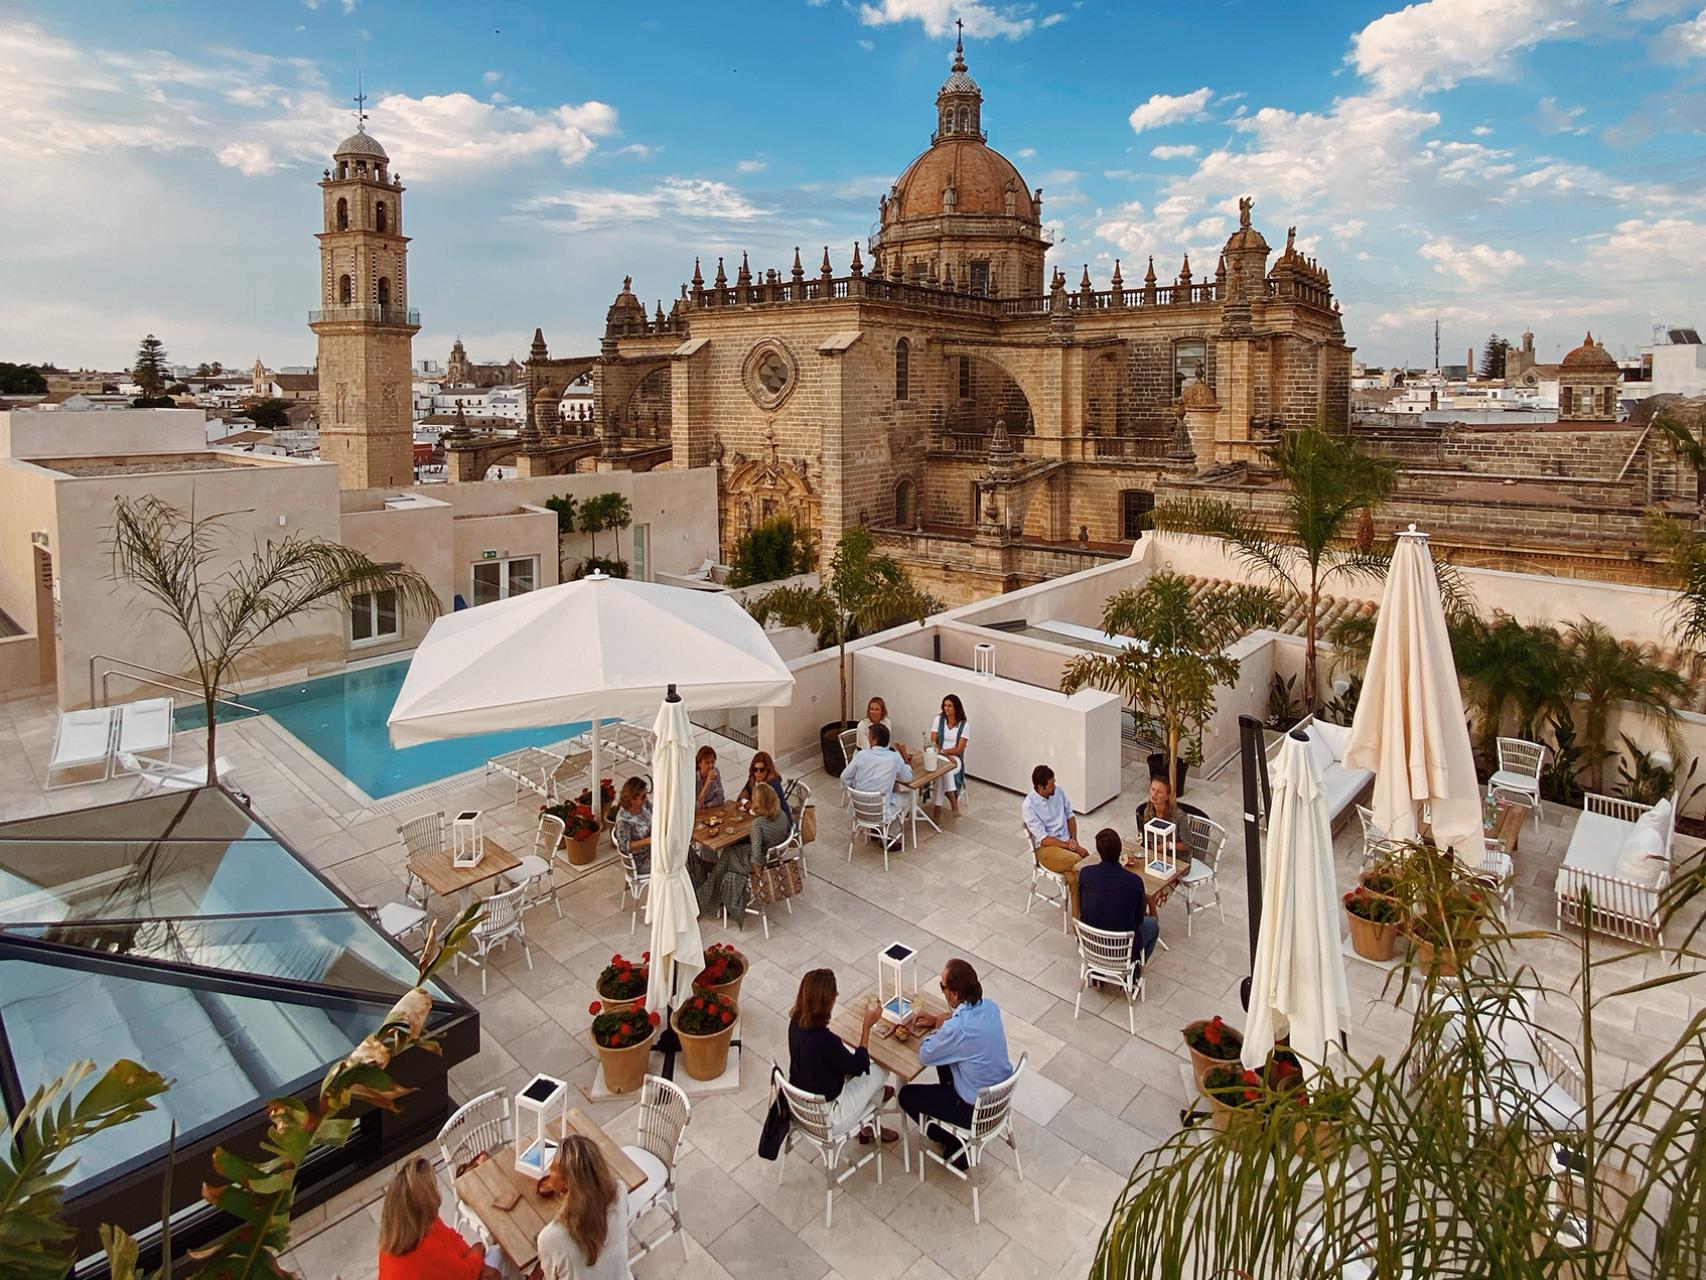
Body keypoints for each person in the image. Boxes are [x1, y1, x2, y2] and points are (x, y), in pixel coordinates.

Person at [899, 958, 1013, 1171]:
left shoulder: (957, 1029)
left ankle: (956, 1144)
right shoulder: (990, 1008)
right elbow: (965, 1027)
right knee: (946, 1058)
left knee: (906, 1095)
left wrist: (937, 1031)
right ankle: (949, 1110)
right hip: (999, 1099)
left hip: (973, 1109)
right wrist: (939, 1020)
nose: (941, 990)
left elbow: (925, 1055)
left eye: (942, 986)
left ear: (954, 994)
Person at [788, 968, 898, 1144]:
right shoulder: (826, 1041)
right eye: (834, 993)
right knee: (882, 1069)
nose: (837, 995)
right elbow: (860, 1066)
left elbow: (829, 1062)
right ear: (826, 1001)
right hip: (829, 1119)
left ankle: (872, 1114)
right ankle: (876, 1098)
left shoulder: (795, 1023)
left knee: (854, 1067)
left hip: (801, 1109)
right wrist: (867, 1026)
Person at [376, 1156, 502, 1280]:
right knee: (502, 1256)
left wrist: (478, 1263)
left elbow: (451, 1238)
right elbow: (465, 1274)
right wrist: (477, 1252)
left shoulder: (401, 1235)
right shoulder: (425, 1251)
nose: (437, 1195)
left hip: (467, 1267)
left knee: (498, 1257)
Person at [536, 1135, 633, 1280]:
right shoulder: (620, 1190)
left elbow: (551, 1276)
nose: (549, 1170)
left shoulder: (551, 1237)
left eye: (553, 1169)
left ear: (567, 1182)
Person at [698, 777, 789, 918]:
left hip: (761, 863)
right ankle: (714, 890)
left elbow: (756, 857)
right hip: (775, 858)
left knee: (727, 856)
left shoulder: (758, 824)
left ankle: (711, 897)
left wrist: (757, 874)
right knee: (729, 852)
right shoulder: (782, 815)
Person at [1078, 827, 1161, 965]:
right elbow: (1139, 919)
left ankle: (1096, 973)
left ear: (1099, 852)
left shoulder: (1085, 874)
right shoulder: (1134, 881)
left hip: (1092, 942)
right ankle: (1134, 973)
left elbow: (1083, 906)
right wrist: (1152, 906)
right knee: (1152, 925)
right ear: (1120, 850)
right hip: (1122, 948)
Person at [1022, 764, 1089, 916]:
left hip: (1067, 844)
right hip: (1047, 850)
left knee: (1074, 878)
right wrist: (1074, 848)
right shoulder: (1029, 806)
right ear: (1040, 787)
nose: (1054, 787)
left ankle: (1079, 920)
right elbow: (1044, 839)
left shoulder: (1058, 792)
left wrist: (1074, 839)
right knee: (1082, 862)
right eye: (1051, 785)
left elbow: (1070, 815)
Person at [840, 721, 915, 820]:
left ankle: (884, 827)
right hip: (881, 811)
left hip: (858, 808)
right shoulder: (894, 757)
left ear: (874, 740)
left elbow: (844, 777)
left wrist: (855, 788)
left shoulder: (861, 755)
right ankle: (893, 829)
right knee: (910, 796)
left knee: (886, 795)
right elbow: (907, 778)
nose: (868, 739)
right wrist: (905, 759)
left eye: (869, 737)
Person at [929, 693, 970, 816]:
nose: (946, 708)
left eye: (950, 706)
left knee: (945, 771)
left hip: (955, 758)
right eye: (945, 705)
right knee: (945, 770)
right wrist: (944, 753)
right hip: (940, 755)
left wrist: (946, 753)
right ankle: (953, 802)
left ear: (956, 708)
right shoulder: (938, 720)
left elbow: (959, 749)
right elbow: (933, 741)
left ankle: (937, 809)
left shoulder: (964, 725)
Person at [1133, 774, 1206, 833]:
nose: (1154, 794)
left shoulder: (1179, 816)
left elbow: (1188, 845)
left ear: (1167, 796)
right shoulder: (1148, 812)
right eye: (1153, 789)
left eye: (1159, 792)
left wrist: (1168, 845)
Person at [611, 775, 652, 876]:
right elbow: (624, 847)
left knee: (684, 851)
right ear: (631, 799)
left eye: (646, 794)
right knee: (676, 861)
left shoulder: (645, 804)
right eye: (642, 797)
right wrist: (649, 840)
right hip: (641, 860)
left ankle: (695, 887)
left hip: (654, 849)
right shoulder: (624, 821)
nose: (646, 798)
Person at [738, 750, 792, 825]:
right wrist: (747, 803)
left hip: (773, 824)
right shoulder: (753, 780)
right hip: (757, 821)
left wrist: (752, 806)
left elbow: (767, 811)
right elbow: (740, 798)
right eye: (755, 769)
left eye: (762, 770)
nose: (758, 773)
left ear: (768, 770)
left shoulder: (773, 785)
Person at [857, 695, 912, 763]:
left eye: (877, 709)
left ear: (882, 711)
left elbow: (886, 743)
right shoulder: (862, 725)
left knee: (899, 761)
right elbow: (867, 749)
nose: (873, 712)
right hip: (865, 757)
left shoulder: (886, 722)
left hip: (882, 754)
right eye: (871, 709)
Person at [695, 744, 725, 810]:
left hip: (709, 810)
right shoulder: (694, 778)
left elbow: (721, 799)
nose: (711, 766)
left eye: (713, 762)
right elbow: (696, 806)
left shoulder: (715, 772)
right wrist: (707, 784)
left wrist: (706, 805)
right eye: (707, 763)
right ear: (700, 764)